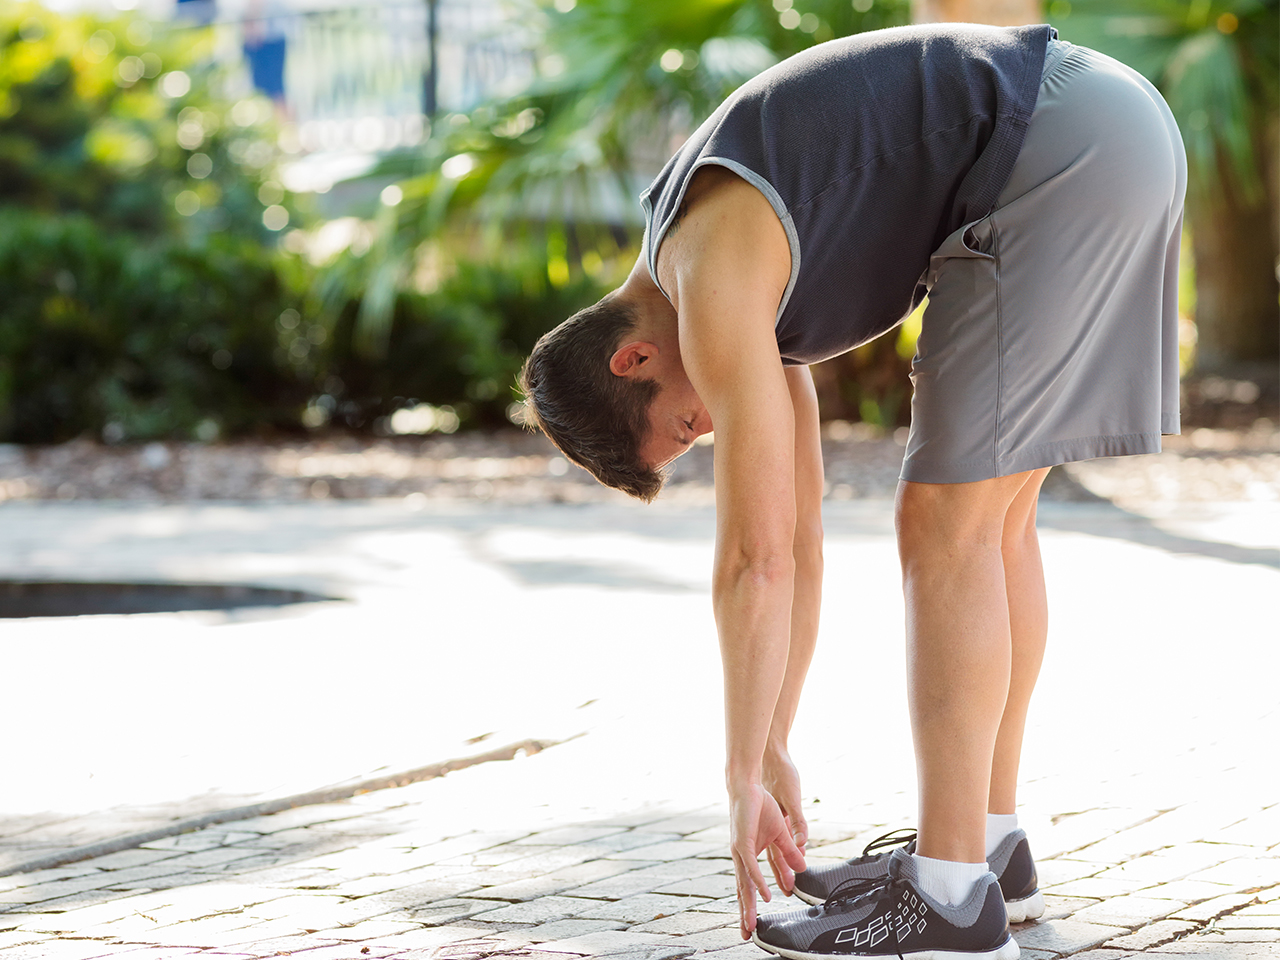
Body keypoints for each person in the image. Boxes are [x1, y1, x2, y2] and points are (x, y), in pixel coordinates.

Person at [520, 21, 1185, 960]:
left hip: (1057, 146)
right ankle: (989, 850)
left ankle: (952, 899)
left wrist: (738, 771)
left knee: (945, 523)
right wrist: (777, 734)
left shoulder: (708, 273)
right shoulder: (715, 252)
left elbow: (755, 560)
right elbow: (800, 528)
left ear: (633, 359)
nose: (704, 432)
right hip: (1105, 125)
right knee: (993, 525)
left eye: (681, 426)